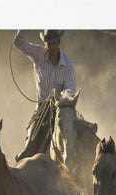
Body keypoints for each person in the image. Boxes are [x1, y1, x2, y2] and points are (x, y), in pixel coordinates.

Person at [13, 29, 77, 162]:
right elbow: (18, 42)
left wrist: (62, 98)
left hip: (62, 107)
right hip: (42, 110)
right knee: (31, 142)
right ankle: (23, 162)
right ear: (45, 44)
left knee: (79, 132)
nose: (51, 47)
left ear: (58, 43)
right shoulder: (38, 54)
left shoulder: (68, 64)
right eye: (48, 43)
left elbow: (70, 89)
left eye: (54, 43)